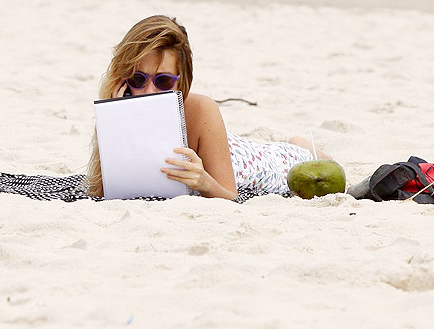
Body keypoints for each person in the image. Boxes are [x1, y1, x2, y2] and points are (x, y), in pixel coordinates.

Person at [86, 15, 331, 201]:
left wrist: (203, 181)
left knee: (312, 159)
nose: (149, 91)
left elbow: (230, 197)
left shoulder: (201, 108)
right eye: (138, 79)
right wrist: (115, 117)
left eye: (162, 81)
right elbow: (106, 189)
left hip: (255, 162)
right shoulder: (117, 108)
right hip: (224, 145)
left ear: (180, 81)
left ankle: (300, 144)